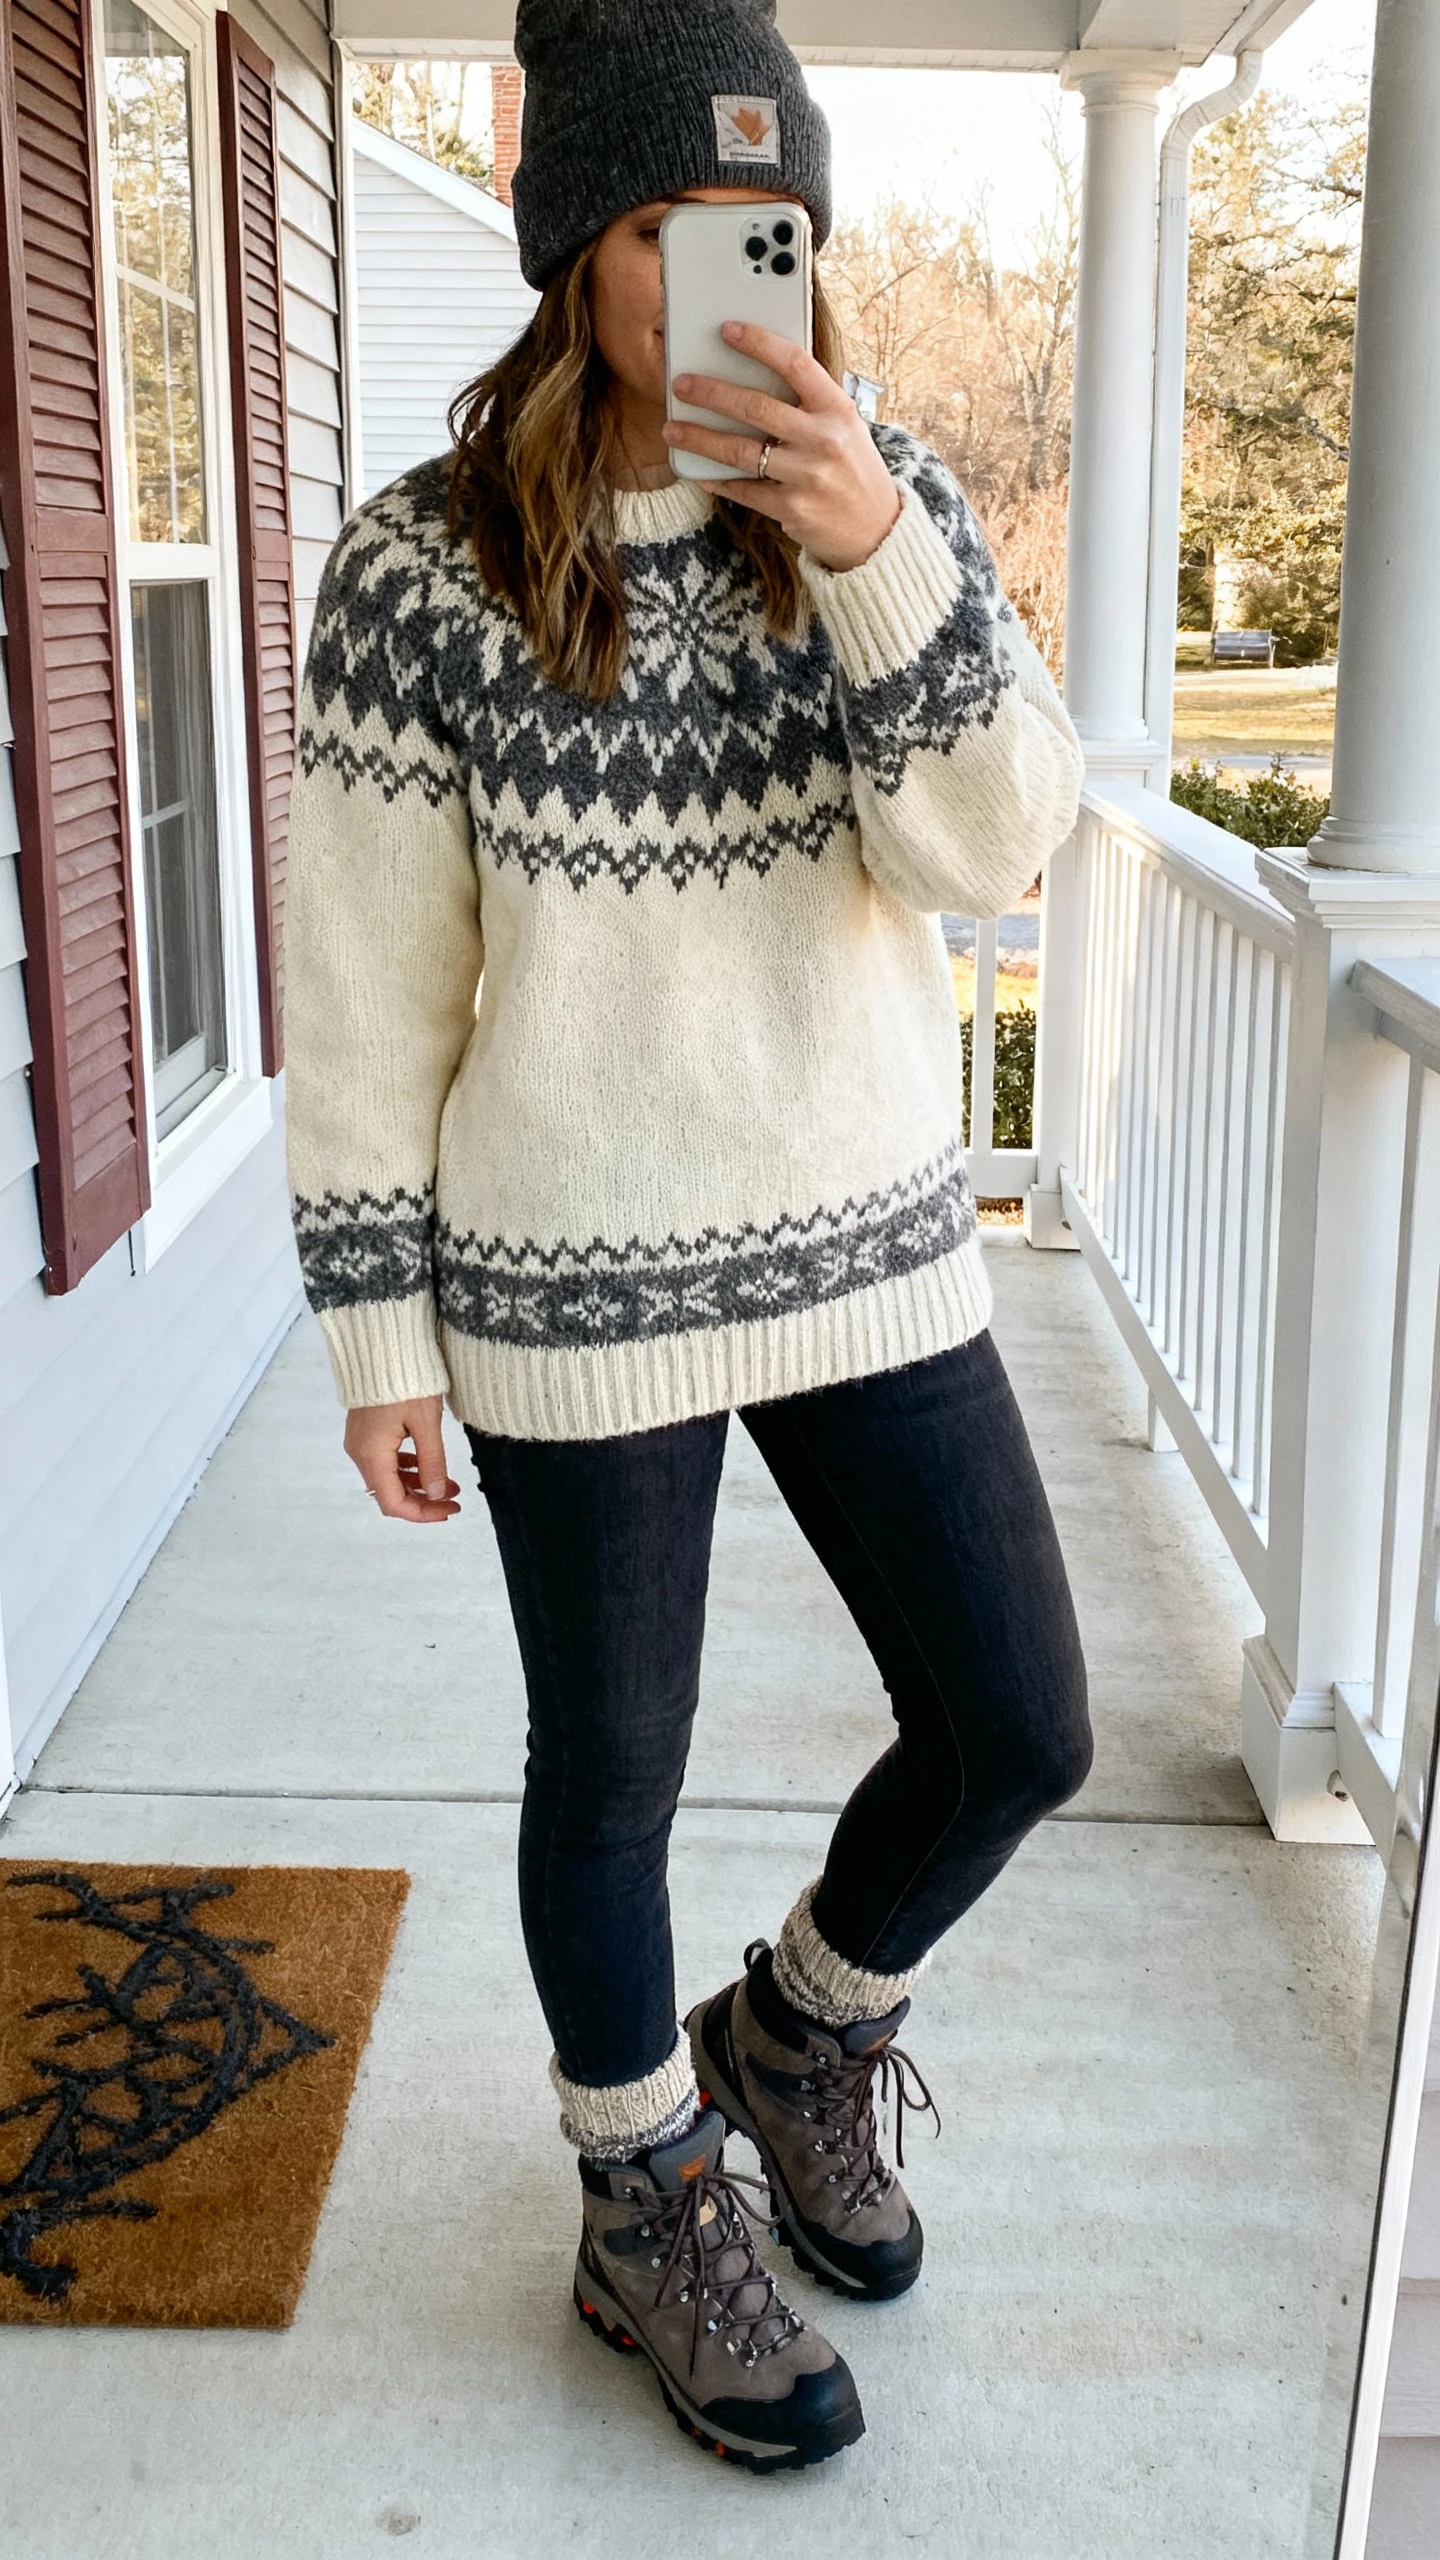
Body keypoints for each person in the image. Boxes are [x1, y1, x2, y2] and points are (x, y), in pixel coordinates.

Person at [286, 0, 1091, 2474]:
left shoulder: (881, 493)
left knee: (1019, 1722)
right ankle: (645, 2191)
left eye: (767, 226)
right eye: (665, 226)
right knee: (611, 1772)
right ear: (575, 248)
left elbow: (996, 847)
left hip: (868, 1247)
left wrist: (869, 553)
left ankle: (801, 2029)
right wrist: (377, 1331)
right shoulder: (421, 565)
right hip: (567, 1270)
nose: (726, 275)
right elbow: (367, 985)